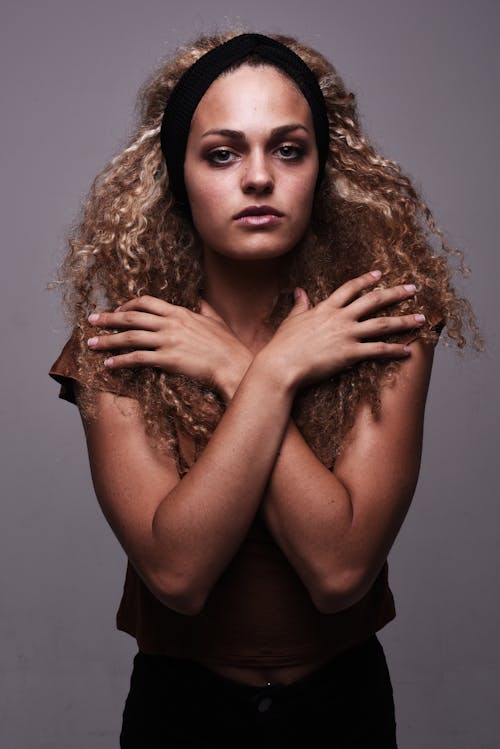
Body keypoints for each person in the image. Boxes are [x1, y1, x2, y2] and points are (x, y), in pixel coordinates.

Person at [49, 30, 480, 748]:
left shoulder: (386, 325)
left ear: (322, 168)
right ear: (178, 174)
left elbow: (341, 570)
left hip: (342, 705)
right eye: (222, 153)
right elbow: (178, 573)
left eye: (288, 148)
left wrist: (236, 368)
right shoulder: (121, 344)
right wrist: (277, 371)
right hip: (180, 711)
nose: (257, 177)